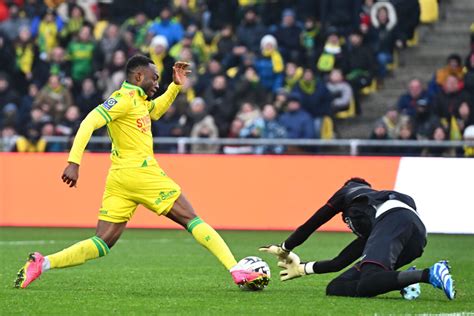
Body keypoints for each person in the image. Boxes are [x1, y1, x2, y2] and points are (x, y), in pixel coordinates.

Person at [14, 55, 268, 290]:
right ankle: (237, 269)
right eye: (154, 77)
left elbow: (155, 111)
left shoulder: (138, 102)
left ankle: (42, 263)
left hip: (120, 179)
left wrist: (175, 86)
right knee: (192, 219)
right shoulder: (122, 100)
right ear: (138, 77)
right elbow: (89, 122)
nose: (156, 82)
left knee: (103, 242)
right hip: (141, 173)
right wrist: (74, 161)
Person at [260, 177, 455, 300]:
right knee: (336, 288)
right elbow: (340, 262)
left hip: (395, 219)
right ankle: (405, 279)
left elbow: (313, 222)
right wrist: (303, 268)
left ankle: (429, 274)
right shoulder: (372, 221)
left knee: (369, 280)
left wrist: (284, 248)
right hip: (415, 234)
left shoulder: (349, 191)